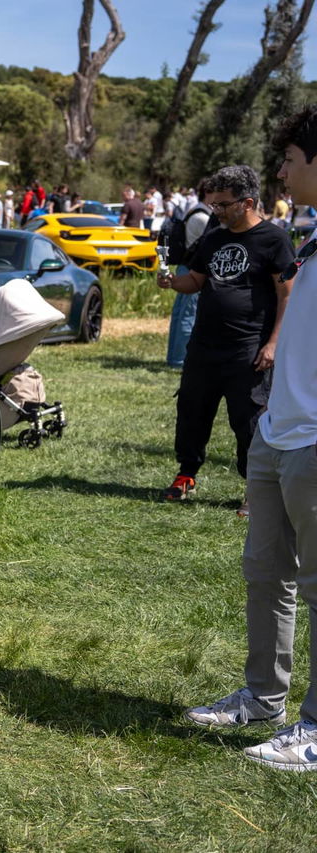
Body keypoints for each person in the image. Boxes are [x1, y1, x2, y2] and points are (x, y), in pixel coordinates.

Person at [182, 104, 317, 771]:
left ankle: (315, 727)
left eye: (291, 160)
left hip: (313, 441)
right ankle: (264, 699)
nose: (283, 173)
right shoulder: (313, 235)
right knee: (266, 575)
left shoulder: (285, 240)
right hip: (277, 432)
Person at [157, 165, 293, 513]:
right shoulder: (214, 237)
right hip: (204, 347)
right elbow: (197, 281)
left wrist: (274, 343)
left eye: (222, 204)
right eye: (213, 204)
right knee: (191, 412)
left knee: (247, 422)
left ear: (246, 203)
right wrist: (173, 282)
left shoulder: (274, 240)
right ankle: (186, 473)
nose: (215, 211)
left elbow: (287, 296)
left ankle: (255, 488)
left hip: (247, 350)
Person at [165, 181, 214, 369]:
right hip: (192, 269)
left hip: (185, 267)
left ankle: (174, 357)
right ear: (207, 194)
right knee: (188, 315)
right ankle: (180, 359)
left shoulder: (193, 212)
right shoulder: (202, 217)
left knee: (180, 314)